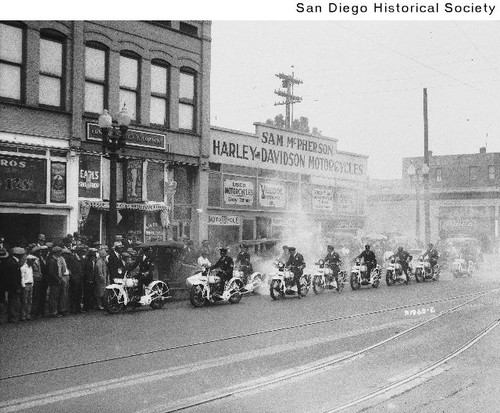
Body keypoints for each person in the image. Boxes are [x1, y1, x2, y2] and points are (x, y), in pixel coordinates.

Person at [4, 247, 24, 323]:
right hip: (13, 286)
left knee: (13, 301)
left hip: (12, 286)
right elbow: (13, 277)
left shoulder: (12, 261)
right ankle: (13, 317)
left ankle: (13, 316)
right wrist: (17, 287)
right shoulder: (13, 263)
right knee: (14, 301)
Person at [20, 254, 36, 321]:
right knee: (25, 301)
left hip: (30, 284)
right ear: (28, 261)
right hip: (25, 285)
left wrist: (32, 283)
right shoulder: (23, 268)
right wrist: (23, 286)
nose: (33, 263)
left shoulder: (30, 268)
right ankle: (23, 315)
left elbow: (31, 276)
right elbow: (22, 277)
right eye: (32, 261)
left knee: (30, 300)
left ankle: (28, 314)